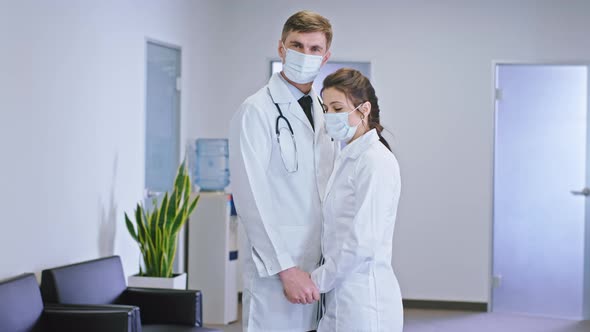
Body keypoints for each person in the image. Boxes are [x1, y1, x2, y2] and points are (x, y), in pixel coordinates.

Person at [229, 10, 338, 332]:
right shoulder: (256, 110)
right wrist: (286, 270)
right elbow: (250, 199)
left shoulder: (324, 110)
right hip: (279, 270)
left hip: (319, 266)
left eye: (314, 49)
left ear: (325, 56)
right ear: (281, 49)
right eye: (297, 45)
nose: (305, 55)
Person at [311, 68, 404, 332]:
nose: (329, 116)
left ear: (363, 109)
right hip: (342, 297)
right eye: (326, 108)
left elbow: (361, 241)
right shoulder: (347, 157)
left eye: (337, 108)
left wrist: (316, 282)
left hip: (365, 303)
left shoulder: (375, 161)